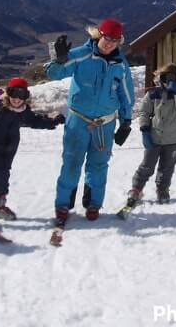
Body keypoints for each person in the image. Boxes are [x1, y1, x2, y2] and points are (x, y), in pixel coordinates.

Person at [45, 18, 135, 226]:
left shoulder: (120, 64)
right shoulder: (81, 55)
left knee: (99, 165)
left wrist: (126, 121)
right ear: (98, 35)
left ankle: (93, 204)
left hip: (105, 123)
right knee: (71, 163)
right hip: (78, 120)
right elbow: (54, 74)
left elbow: (126, 94)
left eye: (115, 40)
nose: (110, 43)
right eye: (107, 38)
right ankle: (63, 205)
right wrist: (59, 59)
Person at [0, 77, 65, 230]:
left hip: (7, 151)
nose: (17, 99)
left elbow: (34, 121)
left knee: (3, 178)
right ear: (8, 94)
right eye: (14, 94)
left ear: (25, 97)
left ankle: (0, 207)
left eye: (21, 96)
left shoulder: (22, 111)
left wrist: (52, 122)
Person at [125, 63, 176, 207]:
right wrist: (144, 129)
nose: (169, 81)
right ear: (160, 78)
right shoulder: (152, 94)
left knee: (167, 167)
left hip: (173, 139)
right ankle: (136, 188)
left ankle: (162, 189)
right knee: (147, 166)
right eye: (166, 77)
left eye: (173, 78)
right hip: (154, 137)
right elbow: (144, 112)